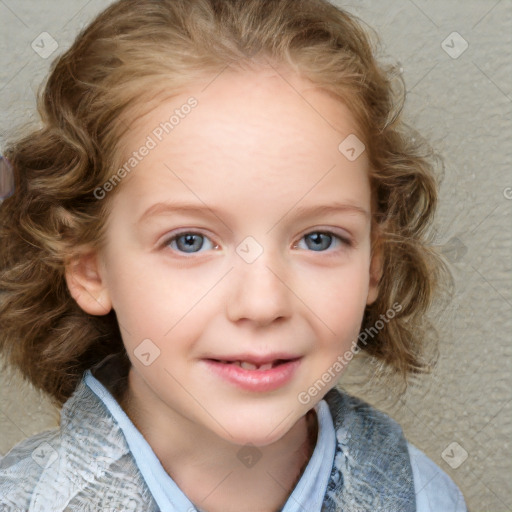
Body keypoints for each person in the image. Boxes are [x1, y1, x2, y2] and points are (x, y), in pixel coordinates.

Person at [0, 0, 467, 510]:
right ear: (89, 269)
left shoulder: (425, 499)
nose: (263, 303)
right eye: (190, 241)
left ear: (374, 262)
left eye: (319, 239)